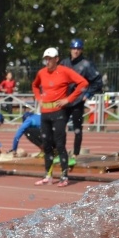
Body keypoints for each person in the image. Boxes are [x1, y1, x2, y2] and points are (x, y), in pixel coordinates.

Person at [31, 47, 88, 187]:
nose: (48, 61)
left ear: (57, 59)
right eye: (46, 59)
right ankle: (48, 176)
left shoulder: (64, 71)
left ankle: (64, 176)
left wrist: (69, 99)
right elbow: (34, 85)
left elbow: (83, 83)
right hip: (45, 113)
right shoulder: (41, 73)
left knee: (60, 145)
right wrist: (39, 98)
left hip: (59, 113)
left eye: (50, 59)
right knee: (47, 146)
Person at [60, 38, 102, 160]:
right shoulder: (64, 63)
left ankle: (76, 153)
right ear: (70, 49)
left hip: (78, 101)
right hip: (65, 100)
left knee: (77, 129)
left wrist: (88, 94)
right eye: (74, 48)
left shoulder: (86, 64)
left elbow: (97, 81)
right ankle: (61, 152)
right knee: (60, 128)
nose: (76, 51)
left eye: (78, 49)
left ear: (82, 50)